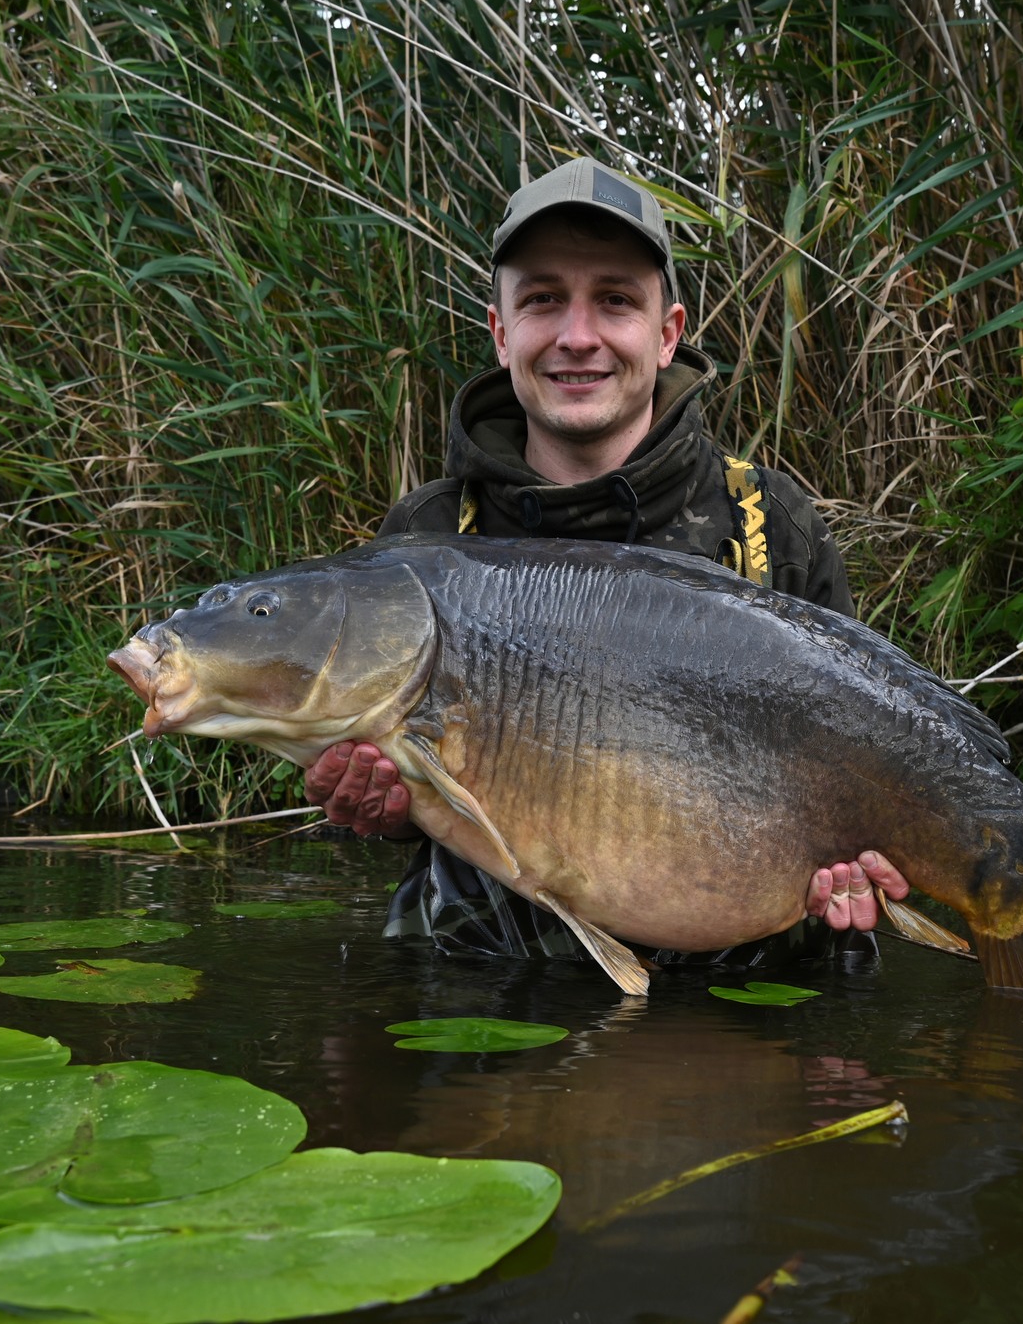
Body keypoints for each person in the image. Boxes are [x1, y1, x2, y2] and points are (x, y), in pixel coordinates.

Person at [306, 156, 908, 964]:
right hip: (492, 986)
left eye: (615, 301)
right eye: (544, 300)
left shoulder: (768, 522)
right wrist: (375, 808)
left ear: (667, 335)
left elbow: (863, 763)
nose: (578, 337)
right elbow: (408, 791)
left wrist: (869, 861)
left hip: (746, 979)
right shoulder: (430, 533)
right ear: (501, 331)